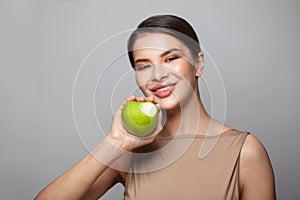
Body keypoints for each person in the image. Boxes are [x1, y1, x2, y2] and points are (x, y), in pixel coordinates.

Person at [35, 15, 276, 200]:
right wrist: (115, 143)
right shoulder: (129, 152)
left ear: (198, 64)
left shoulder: (245, 152)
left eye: (170, 59)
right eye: (143, 66)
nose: (158, 75)